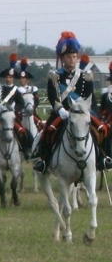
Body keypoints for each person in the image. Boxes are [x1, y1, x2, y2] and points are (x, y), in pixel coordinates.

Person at [33, 31, 111, 173]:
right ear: (62, 58)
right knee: (48, 130)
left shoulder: (85, 75)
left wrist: (89, 112)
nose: (71, 59)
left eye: (74, 57)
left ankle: (103, 158)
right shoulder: (54, 75)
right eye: (68, 57)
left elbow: (89, 96)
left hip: (82, 111)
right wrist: (60, 110)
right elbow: (52, 96)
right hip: (61, 112)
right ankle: (44, 160)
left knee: (102, 128)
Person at [0, 53, 30, 165]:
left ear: (13, 79)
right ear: (5, 78)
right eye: (7, 77)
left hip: (13, 117)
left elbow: (21, 104)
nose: (9, 79)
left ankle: (25, 150)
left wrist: (15, 109)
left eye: (11, 77)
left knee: (24, 133)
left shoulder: (17, 91)